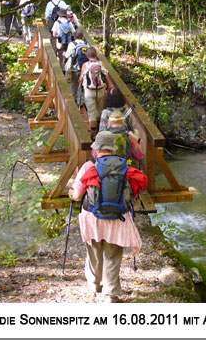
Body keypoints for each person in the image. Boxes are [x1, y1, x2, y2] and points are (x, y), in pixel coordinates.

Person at [68, 130, 148, 303]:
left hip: (92, 218)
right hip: (117, 219)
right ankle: (111, 294)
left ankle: (95, 287)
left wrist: (71, 194)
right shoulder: (125, 167)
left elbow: (76, 195)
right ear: (112, 149)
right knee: (112, 256)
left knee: (94, 253)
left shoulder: (89, 167)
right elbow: (137, 187)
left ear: (96, 149)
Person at [79, 47, 109, 137]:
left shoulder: (85, 65)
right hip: (101, 90)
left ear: (87, 55)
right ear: (96, 55)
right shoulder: (101, 64)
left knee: (91, 112)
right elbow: (106, 77)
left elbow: (81, 78)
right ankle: (100, 130)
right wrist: (109, 88)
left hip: (89, 91)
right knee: (100, 109)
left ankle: (93, 133)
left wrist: (80, 86)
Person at [63, 29, 89, 104]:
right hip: (84, 68)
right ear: (82, 37)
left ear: (74, 37)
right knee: (83, 84)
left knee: (74, 83)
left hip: (74, 67)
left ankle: (74, 99)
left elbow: (67, 55)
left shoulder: (72, 44)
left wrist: (64, 54)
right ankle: (81, 101)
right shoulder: (86, 44)